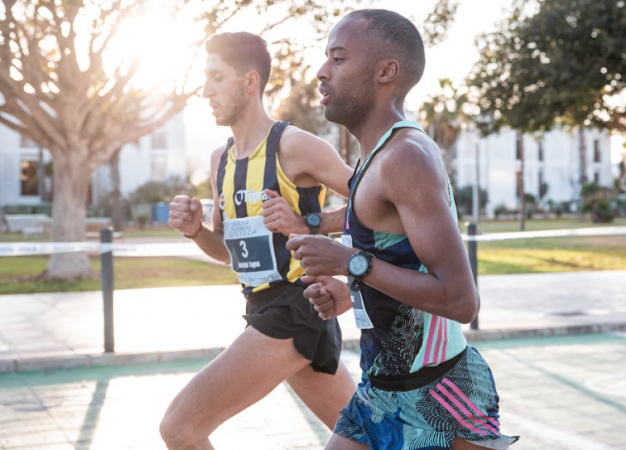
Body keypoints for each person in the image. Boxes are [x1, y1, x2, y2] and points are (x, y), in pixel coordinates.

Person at [287, 10, 519, 450]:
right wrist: (350, 290)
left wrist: (349, 262)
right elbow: (401, 259)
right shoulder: (375, 156)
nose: (321, 72)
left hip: (438, 393)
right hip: (381, 390)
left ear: (386, 72)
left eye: (337, 59)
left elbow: (460, 299)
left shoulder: (404, 157)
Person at [160, 32, 355, 450]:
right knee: (371, 440)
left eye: (216, 77)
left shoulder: (294, 145)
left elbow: (380, 200)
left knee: (179, 428)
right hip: (262, 306)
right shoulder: (221, 161)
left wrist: (309, 222)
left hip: (298, 305)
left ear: (249, 82)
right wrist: (196, 232)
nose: (205, 89)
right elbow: (228, 252)